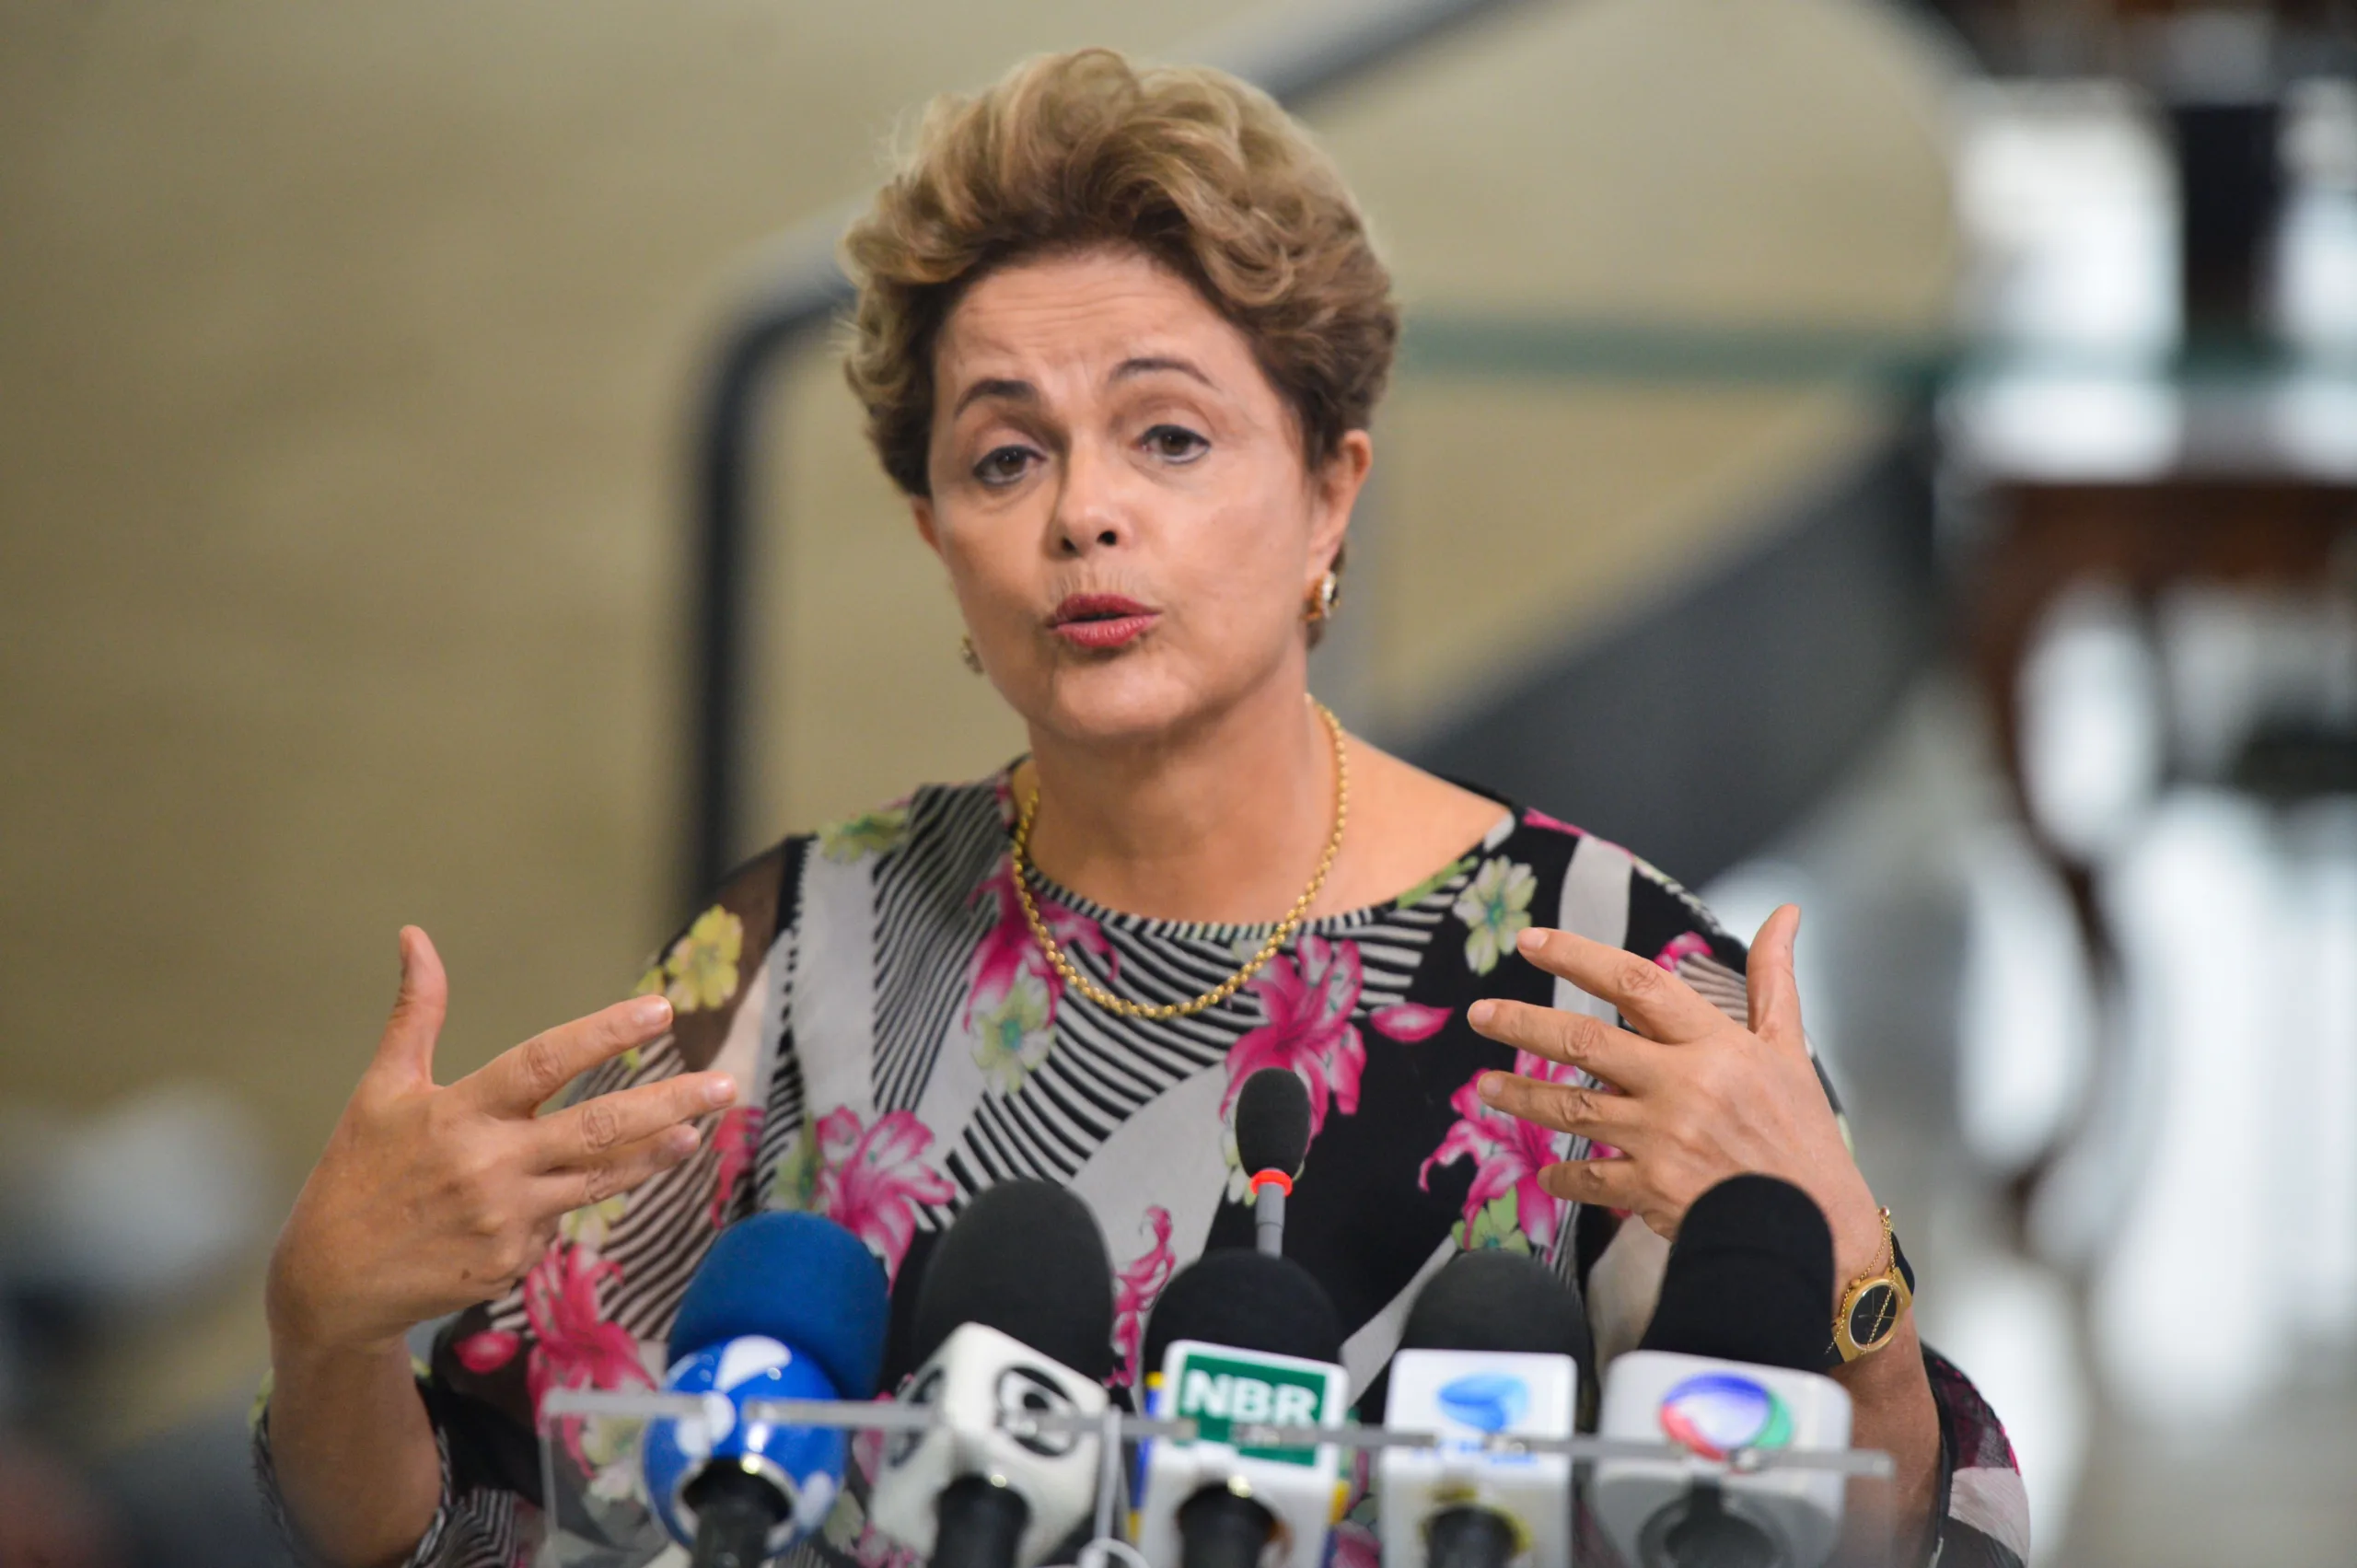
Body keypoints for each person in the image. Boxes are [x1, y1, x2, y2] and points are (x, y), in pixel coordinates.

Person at [255, 47, 2026, 1568]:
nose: (1083, 512)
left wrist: (1855, 1281)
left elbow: (1882, 1536)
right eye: (1005, 455)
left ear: (1334, 491)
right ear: (939, 536)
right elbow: (478, 1518)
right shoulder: (802, 948)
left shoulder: (1606, 970)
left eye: (1168, 436)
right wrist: (326, 1328)